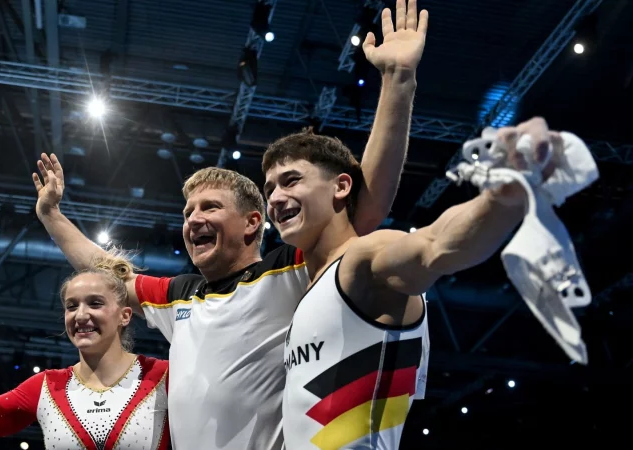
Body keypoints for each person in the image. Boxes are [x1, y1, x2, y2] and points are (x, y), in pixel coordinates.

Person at [31, 2, 428, 448]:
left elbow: (363, 205)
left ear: (252, 222)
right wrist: (51, 215)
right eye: (187, 213)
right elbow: (106, 268)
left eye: (209, 208)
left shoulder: (296, 268)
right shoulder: (179, 296)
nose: (193, 220)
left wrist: (398, 81)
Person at [261, 116, 562, 449]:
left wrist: (502, 198)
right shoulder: (310, 290)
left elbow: (435, 245)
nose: (274, 197)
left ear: (341, 186)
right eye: (269, 188)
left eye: (290, 181)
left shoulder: (363, 260)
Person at [0, 256, 170, 450]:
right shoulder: (47, 387)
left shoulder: (164, 377)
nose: (80, 315)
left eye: (95, 303)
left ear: (124, 315)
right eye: (71, 306)